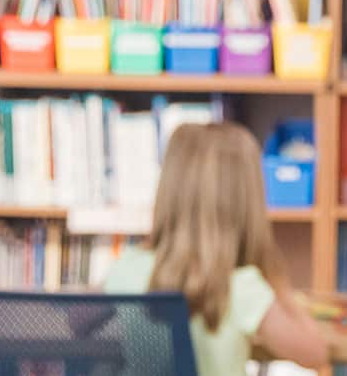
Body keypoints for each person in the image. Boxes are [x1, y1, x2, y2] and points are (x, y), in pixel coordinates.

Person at [103, 123, 330, 374]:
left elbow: (74, 322)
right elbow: (315, 352)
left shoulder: (126, 268)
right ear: (247, 206)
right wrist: (279, 284)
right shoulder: (241, 286)